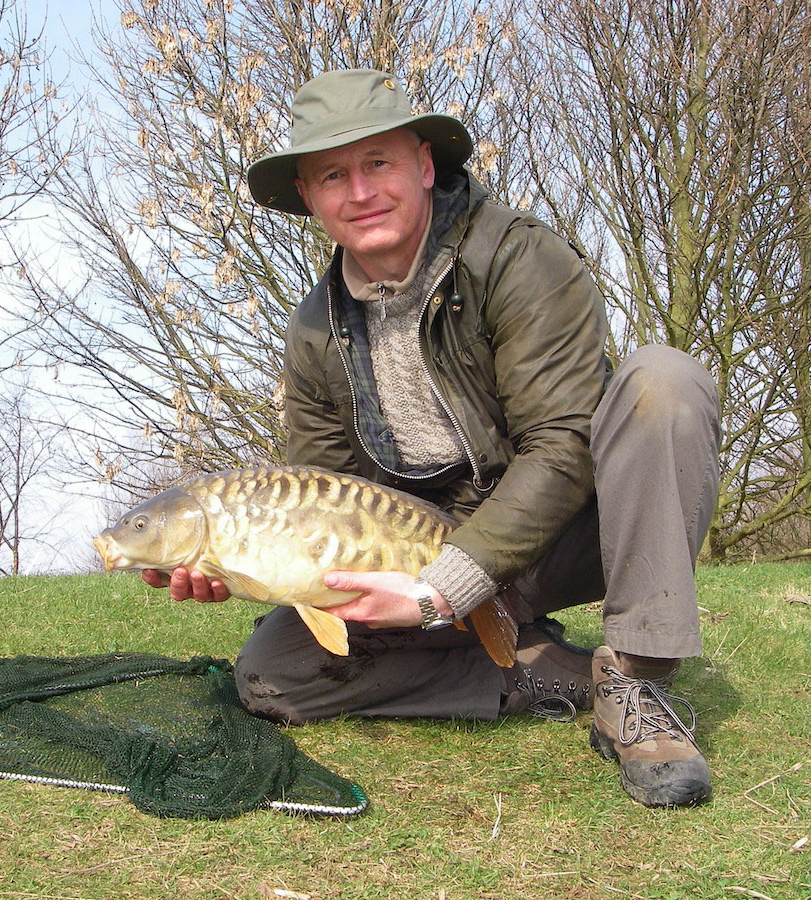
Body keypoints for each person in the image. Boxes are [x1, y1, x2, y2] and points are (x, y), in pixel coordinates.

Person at [143, 69, 721, 808]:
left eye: (377, 163)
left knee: (662, 385)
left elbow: (563, 445)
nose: (359, 191)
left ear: (423, 165)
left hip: (564, 531)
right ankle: (542, 668)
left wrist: (444, 587)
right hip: (410, 552)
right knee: (269, 675)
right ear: (311, 200)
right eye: (331, 176)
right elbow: (321, 497)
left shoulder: (520, 259)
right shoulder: (314, 329)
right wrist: (246, 563)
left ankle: (639, 688)